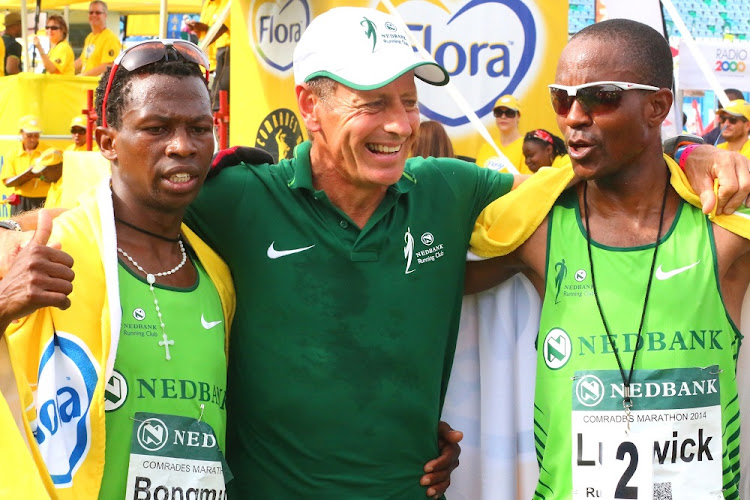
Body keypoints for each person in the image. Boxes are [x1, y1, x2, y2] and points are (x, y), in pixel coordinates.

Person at [182, 7, 748, 498]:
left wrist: (690, 149)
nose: (399, 125)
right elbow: (122, 200)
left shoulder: (448, 190)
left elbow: (581, 180)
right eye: (373, 103)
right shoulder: (236, 197)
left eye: (409, 102)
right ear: (309, 104)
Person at [2, 38, 459, 499]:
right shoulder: (53, 251)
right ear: (107, 143)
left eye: (199, 129)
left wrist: (403, 433)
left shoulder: (216, 263)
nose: (182, 146)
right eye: (156, 128)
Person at [465, 18, 748, 499]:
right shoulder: (534, 228)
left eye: (602, 96)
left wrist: (691, 151)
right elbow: (423, 284)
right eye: (561, 98)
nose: (574, 116)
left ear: (658, 105)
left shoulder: (724, 233)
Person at [2, 115, 50, 215]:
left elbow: (57, 177)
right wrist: (25, 177)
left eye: (36, 135)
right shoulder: (13, 154)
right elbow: (7, 181)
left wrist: (39, 175)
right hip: (21, 201)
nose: (33, 139)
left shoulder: (48, 152)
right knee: (18, 230)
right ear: (21, 133)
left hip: (44, 199)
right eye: (29, 135)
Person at [187, 0, 229, 111]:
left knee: (217, 100)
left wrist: (197, 49)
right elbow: (212, 29)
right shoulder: (207, 4)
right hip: (209, 60)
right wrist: (202, 28)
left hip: (227, 52)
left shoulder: (228, 3)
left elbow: (223, 27)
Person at [475, 94, 527, 173]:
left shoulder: (526, 147)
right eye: (498, 112)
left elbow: (528, 181)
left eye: (509, 113)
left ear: (518, 116)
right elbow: (478, 178)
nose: (503, 117)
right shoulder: (486, 148)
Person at [75, 0, 121, 77]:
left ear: (105, 15)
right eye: (91, 12)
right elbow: (82, 60)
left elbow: (107, 65)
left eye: (98, 13)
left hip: (97, 85)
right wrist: (67, 69)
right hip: (85, 84)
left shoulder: (110, 38)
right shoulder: (90, 37)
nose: (94, 15)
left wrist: (83, 75)